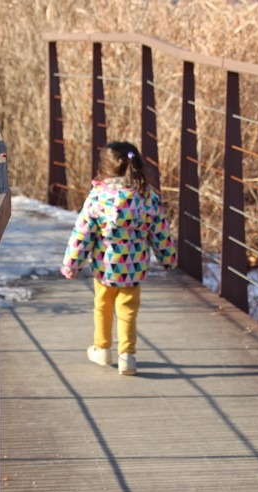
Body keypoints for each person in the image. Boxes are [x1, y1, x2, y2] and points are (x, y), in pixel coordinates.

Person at [60, 141, 177, 375]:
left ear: (105, 168)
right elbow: (160, 232)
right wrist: (168, 259)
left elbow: (82, 233)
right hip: (134, 268)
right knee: (128, 310)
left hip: (105, 267)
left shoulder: (99, 197)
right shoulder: (148, 197)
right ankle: (127, 356)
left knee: (102, 306)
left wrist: (71, 264)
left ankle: (102, 348)